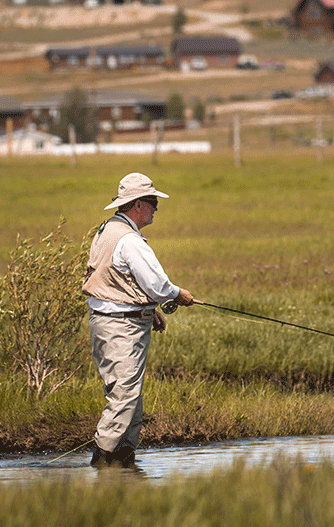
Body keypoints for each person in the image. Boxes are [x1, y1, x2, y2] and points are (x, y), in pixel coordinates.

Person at [83, 172, 194, 468]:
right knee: (124, 396)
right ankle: (103, 462)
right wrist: (177, 294)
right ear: (137, 205)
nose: (157, 207)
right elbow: (158, 285)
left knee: (126, 394)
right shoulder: (130, 240)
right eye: (153, 202)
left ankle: (123, 462)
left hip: (107, 321)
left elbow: (115, 281)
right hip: (122, 327)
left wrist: (149, 310)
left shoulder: (106, 230)